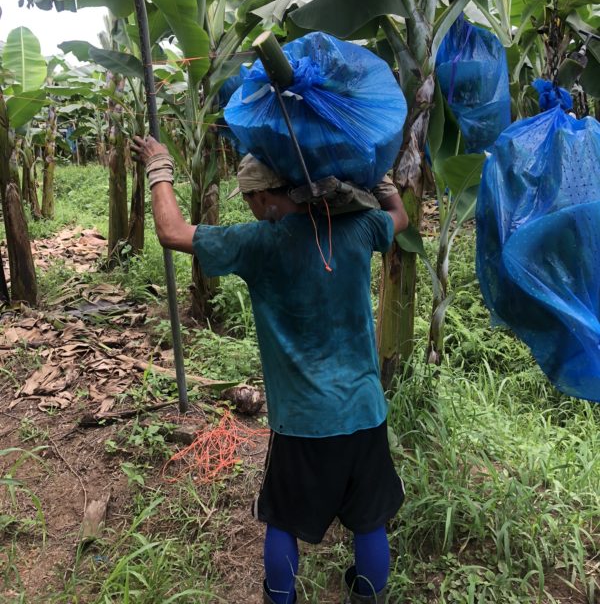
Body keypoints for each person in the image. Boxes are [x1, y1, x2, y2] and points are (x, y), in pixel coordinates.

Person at [131, 135, 409, 604]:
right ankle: (370, 596)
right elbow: (399, 219)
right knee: (368, 518)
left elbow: (172, 232)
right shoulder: (360, 228)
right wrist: (378, 176)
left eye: (249, 200)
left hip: (301, 421)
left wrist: (159, 167)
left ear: (264, 196)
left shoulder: (259, 244)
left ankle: (280, 597)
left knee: (282, 517)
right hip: (364, 411)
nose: (251, 208)